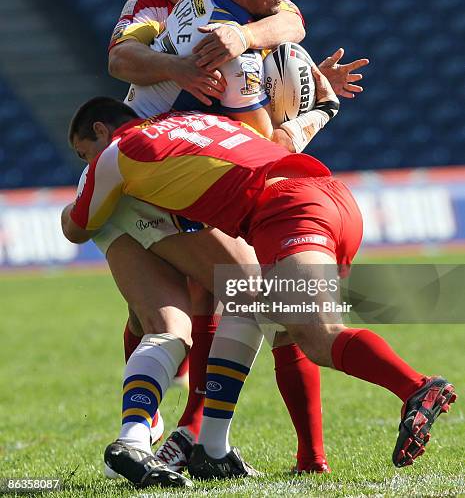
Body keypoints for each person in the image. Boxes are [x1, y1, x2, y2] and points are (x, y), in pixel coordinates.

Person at [96, 0, 368, 482]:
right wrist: (190, 69)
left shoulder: (238, 11)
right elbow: (122, 59)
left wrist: (251, 47)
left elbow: (291, 22)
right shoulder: (155, 8)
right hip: (172, 172)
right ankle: (194, 439)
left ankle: (170, 437)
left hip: (181, 172)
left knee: (192, 311)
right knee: (246, 296)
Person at [62, 93, 456, 483]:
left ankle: (417, 387)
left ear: (101, 130)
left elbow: (77, 227)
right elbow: (274, 137)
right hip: (334, 198)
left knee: (317, 335)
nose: (88, 161)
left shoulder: (117, 153)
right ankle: (263, 453)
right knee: (260, 305)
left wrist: (70, 206)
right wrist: (319, 107)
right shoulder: (205, 122)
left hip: (285, 213)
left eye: (85, 153)